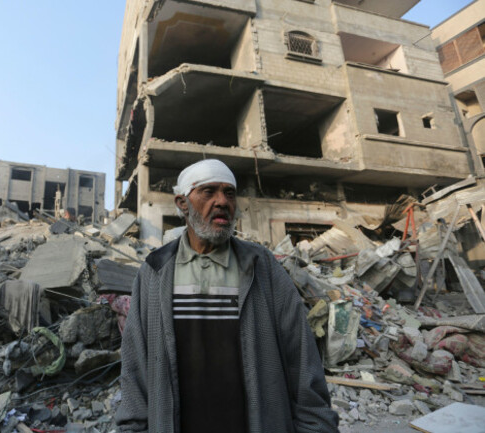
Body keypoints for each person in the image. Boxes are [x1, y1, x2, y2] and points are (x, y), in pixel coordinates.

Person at [115, 159, 339, 433]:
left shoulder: (261, 266)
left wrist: (316, 425)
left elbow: (301, 356)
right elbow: (136, 363)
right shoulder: (155, 270)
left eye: (229, 193)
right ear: (182, 203)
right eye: (209, 192)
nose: (222, 201)